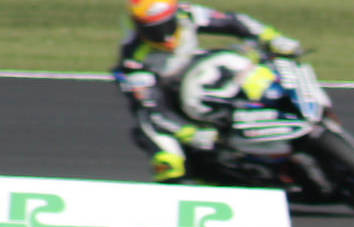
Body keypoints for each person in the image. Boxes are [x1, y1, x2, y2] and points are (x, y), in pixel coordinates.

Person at [110, 1, 303, 183]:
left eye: (167, 25)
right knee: (167, 161)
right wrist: (189, 133)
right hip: (169, 104)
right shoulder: (133, 59)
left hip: (197, 74)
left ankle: (284, 110)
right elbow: (152, 107)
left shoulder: (188, 14)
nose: (164, 36)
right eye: (152, 30)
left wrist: (273, 38)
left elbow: (234, 22)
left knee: (244, 63)